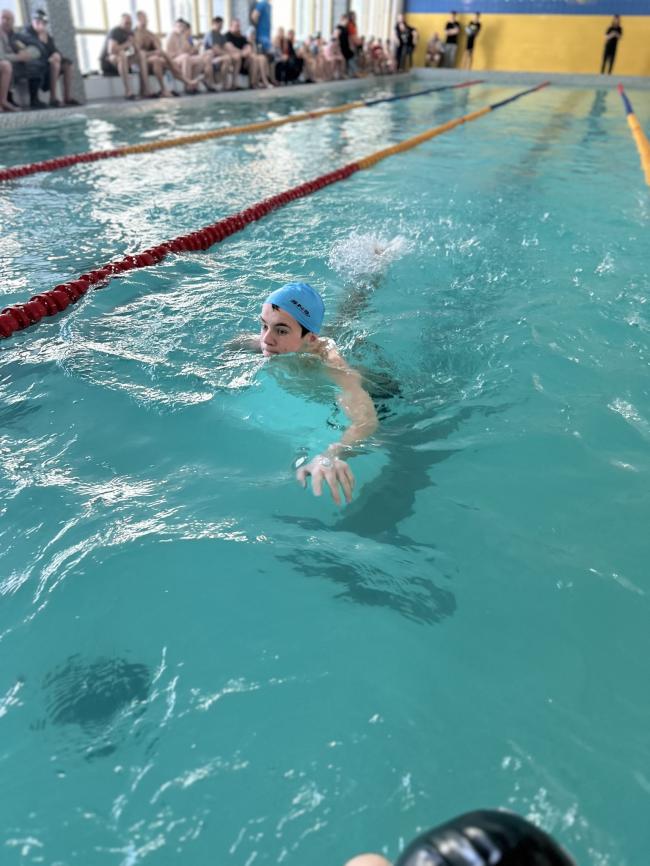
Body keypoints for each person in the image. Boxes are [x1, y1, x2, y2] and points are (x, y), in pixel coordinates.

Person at [236, 282, 378, 506]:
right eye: (264, 326)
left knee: (352, 310)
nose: (266, 339)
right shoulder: (270, 342)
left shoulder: (334, 367)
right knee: (345, 315)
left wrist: (332, 455)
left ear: (311, 339)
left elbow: (365, 421)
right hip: (307, 342)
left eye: (281, 330)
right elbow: (238, 342)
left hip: (382, 392)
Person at [23, 9, 80, 107]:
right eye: (38, 22)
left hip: (49, 63)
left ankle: (67, 97)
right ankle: (53, 98)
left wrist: (56, 54)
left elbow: (55, 50)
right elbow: (34, 52)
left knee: (67, 64)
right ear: (33, 21)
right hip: (36, 64)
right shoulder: (27, 33)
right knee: (55, 61)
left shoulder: (46, 34)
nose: (41, 24)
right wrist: (41, 40)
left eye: (43, 22)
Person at [1, 8, 45, 108]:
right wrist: (18, 57)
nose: (5, 21)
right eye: (3, 18)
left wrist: (28, 53)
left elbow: (37, 47)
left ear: (13, 22)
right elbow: (2, 56)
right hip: (7, 62)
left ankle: (34, 99)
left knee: (37, 64)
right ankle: (8, 98)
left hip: (17, 63)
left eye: (8, 19)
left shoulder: (17, 35)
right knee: (8, 66)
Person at [100, 13, 150, 100]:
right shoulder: (115, 31)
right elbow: (111, 50)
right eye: (126, 23)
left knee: (141, 54)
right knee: (122, 54)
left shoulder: (131, 33)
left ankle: (145, 90)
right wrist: (127, 44)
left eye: (130, 23)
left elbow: (137, 51)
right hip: (108, 61)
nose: (128, 25)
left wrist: (134, 43)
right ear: (121, 23)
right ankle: (128, 91)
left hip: (123, 59)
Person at [165, 18, 217, 92]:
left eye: (182, 26)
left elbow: (190, 51)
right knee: (186, 57)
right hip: (173, 59)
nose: (181, 28)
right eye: (179, 26)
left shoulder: (182, 36)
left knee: (202, 60)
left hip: (184, 57)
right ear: (174, 27)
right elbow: (168, 54)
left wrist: (197, 47)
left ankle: (193, 83)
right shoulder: (171, 36)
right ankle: (187, 85)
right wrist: (182, 53)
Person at [203, 15, 237, 90]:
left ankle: (225, 83)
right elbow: (216, 50)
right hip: (210, 58)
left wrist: (233, 53)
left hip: (218, 58)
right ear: (214, 24)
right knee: (227, 58)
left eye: (221, 25)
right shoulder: (210, 34)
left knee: (230, 59)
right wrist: (228, 54)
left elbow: (225, 47)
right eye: (219, 25)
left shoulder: (221, 36)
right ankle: (221, 83)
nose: (221, 27)